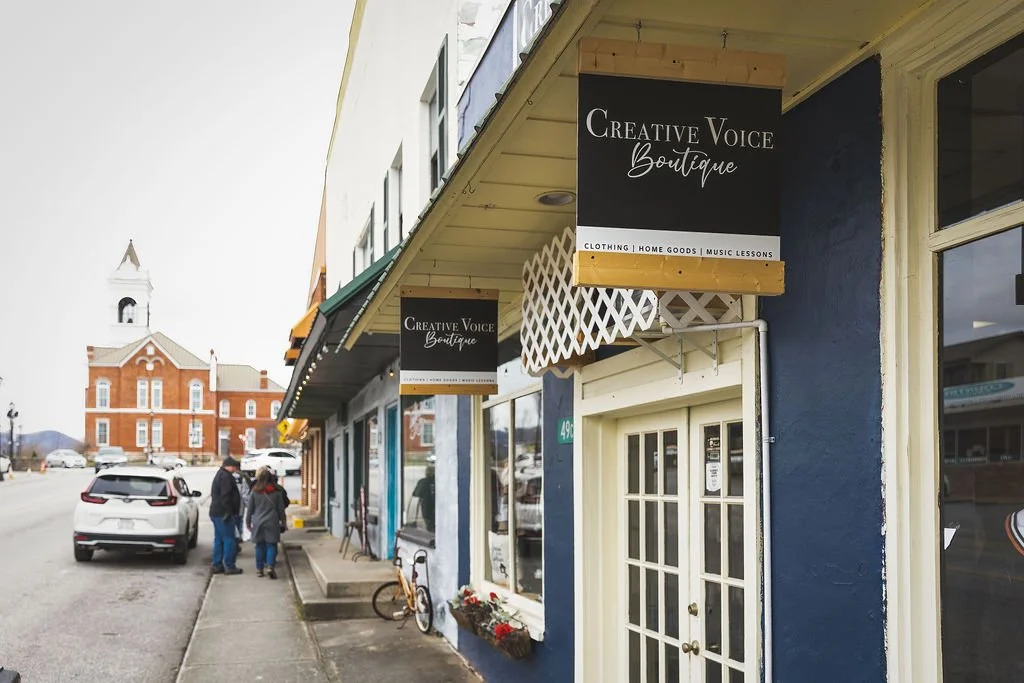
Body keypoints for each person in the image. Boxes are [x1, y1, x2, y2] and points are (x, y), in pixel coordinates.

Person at [246, 466, 287, 578]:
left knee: (259, 546)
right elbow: (280, 509)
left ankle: (259, 569)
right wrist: (284, 522)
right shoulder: (277, 492)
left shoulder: (254, 492)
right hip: (272, 522)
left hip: (258, 522)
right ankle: (270, 567)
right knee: (271, 545)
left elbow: (250, 509)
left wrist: (248, 522)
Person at [209, 456, 243, 575]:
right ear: (229, 466)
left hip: (215, 512)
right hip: (224, 514)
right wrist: (228, 511)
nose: (235, 469)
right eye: (234, 467)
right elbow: (226, 496)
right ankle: (230, 565)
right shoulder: (226, 478)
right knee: (229, 539)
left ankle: (217, 564)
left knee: (219, 539)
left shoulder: (219, 475)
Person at [233, 469, 253, 549]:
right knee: (238, 524)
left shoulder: (224, 476)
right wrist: (249, 506)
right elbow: (245, 494)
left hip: (226, 508)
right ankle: (236, 543)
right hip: (238, 507)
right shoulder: (242, 478)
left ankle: (233, 544)